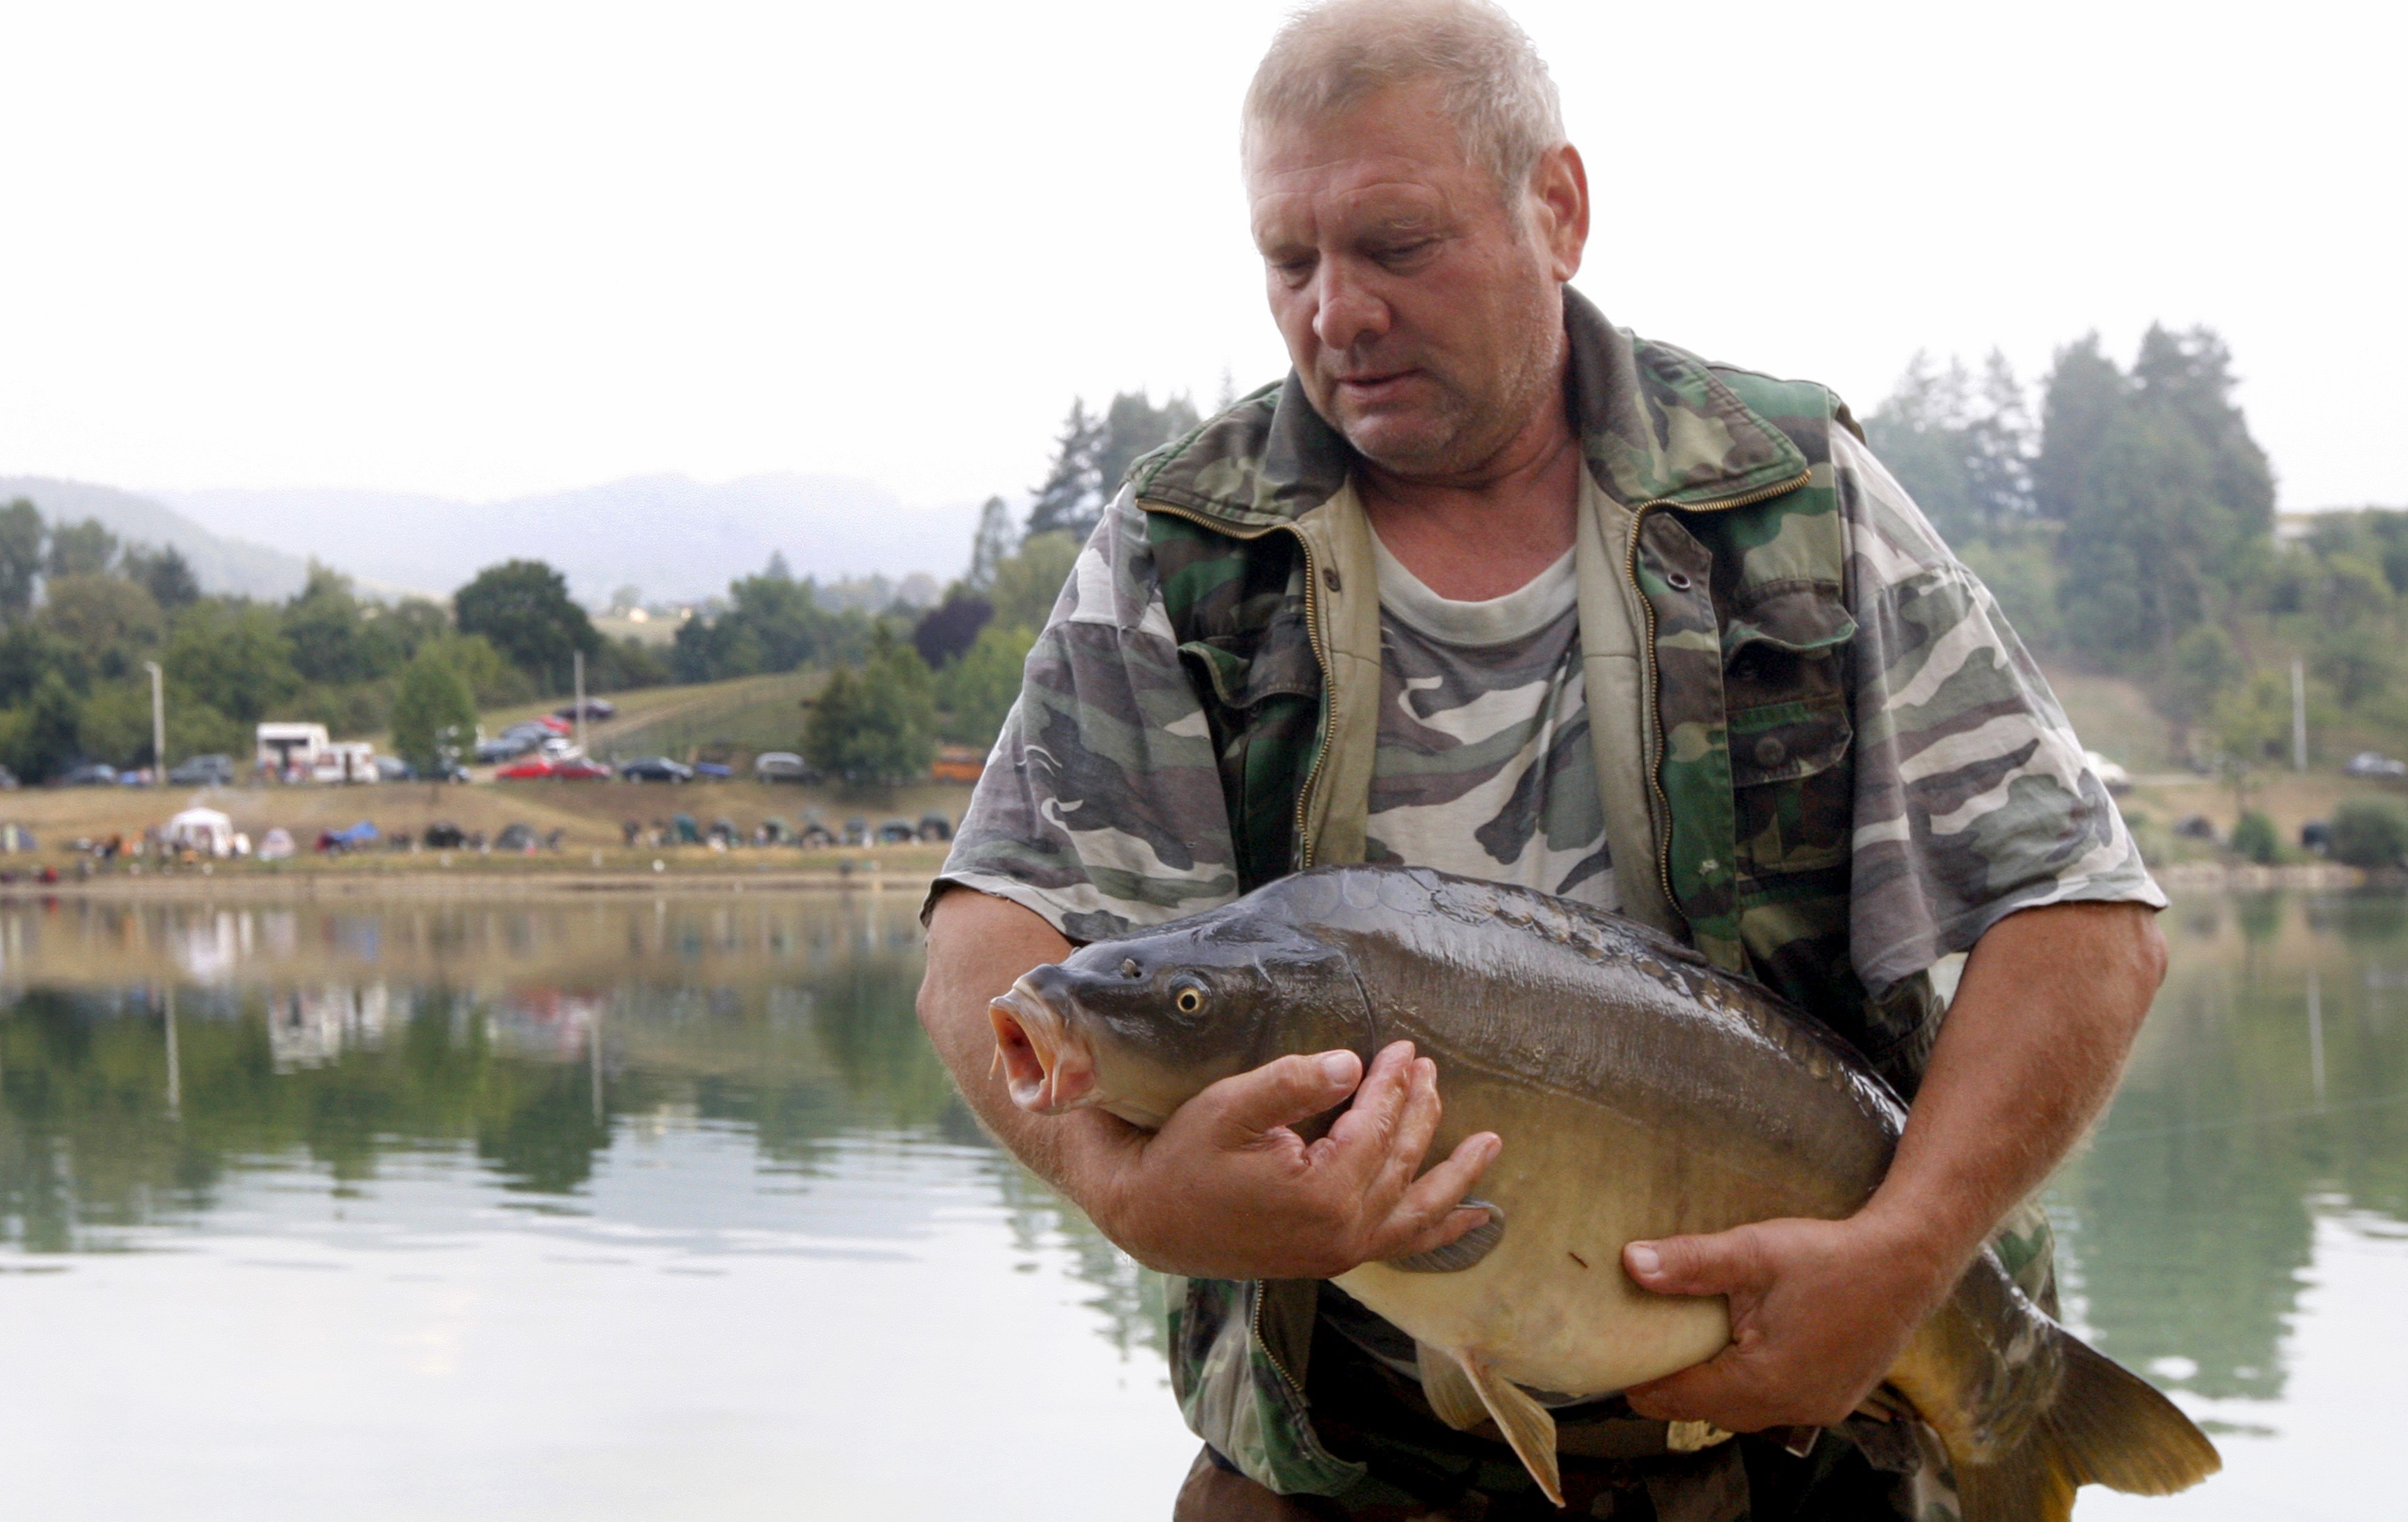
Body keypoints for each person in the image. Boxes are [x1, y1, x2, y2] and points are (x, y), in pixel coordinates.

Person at [915, 2, 2167, 1517]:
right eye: (1289, 263)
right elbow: (988, 932)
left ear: (1556, 209)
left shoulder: (1788, 498)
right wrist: (1126, 1191)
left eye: (1395, 244)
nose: (1339, 313)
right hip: (1341, 1464)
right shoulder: (1189, 541)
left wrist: (1902, 1261)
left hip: (1810, 1446)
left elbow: (2081, 921)